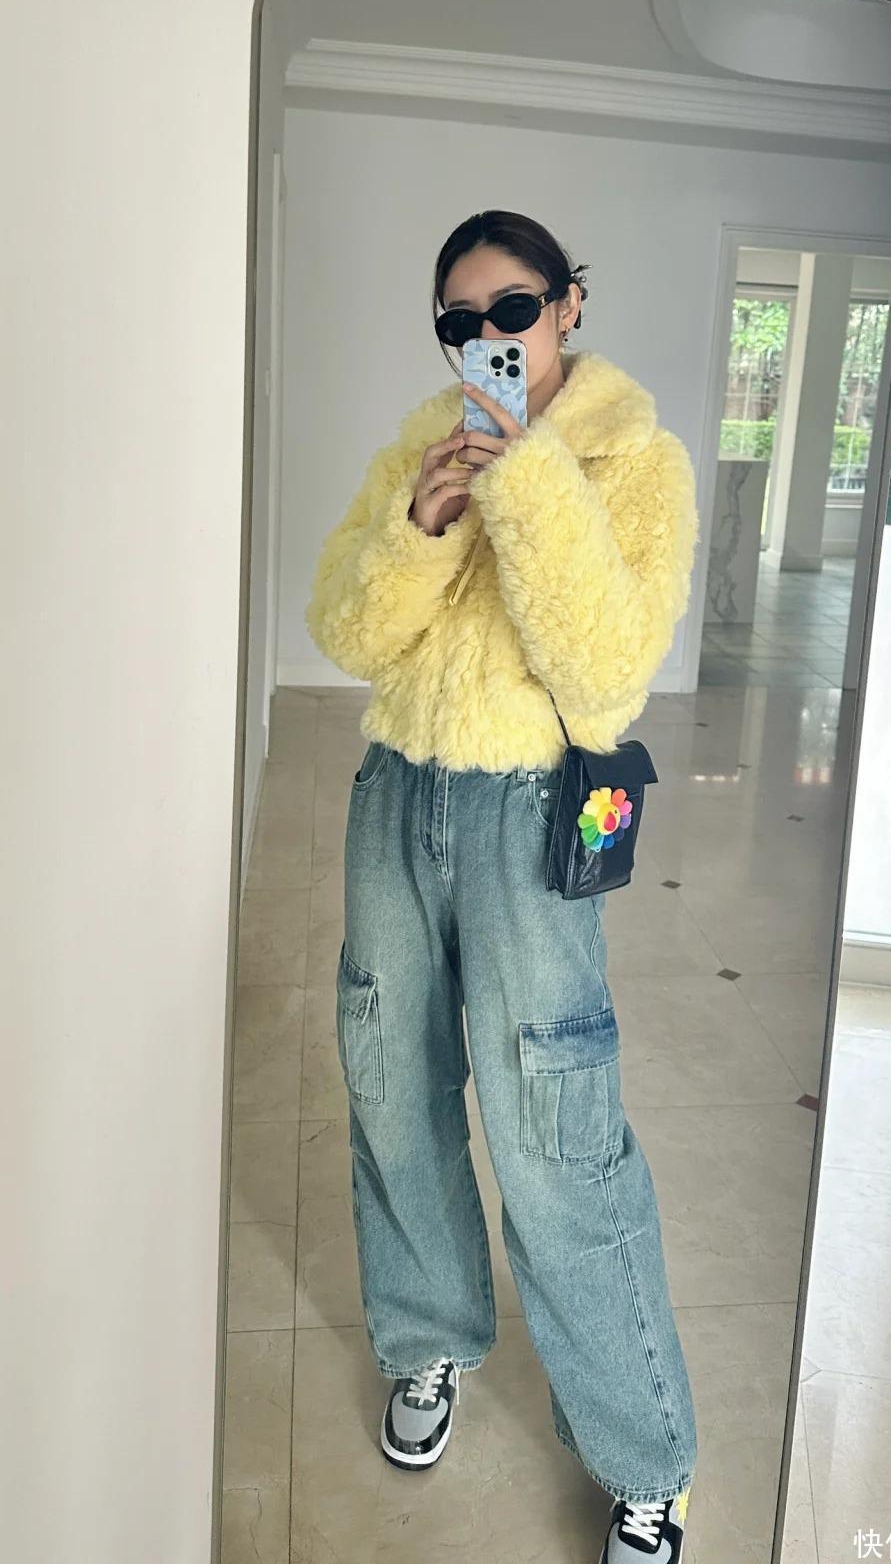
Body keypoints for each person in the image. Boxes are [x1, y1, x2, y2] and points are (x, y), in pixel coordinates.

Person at [305, 209, 700, 1562]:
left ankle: (647, 1459)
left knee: (556, 1128)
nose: (489, 340)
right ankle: (427, 1340)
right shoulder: (420, 444)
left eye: (514, 309)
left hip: (529, 812)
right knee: (391, 1085)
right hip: (395, 797)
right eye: (459, 323)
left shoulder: (638, 462)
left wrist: (529, 481)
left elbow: (606, 675)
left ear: (570, 304)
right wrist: (420, 524)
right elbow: (347, 632)